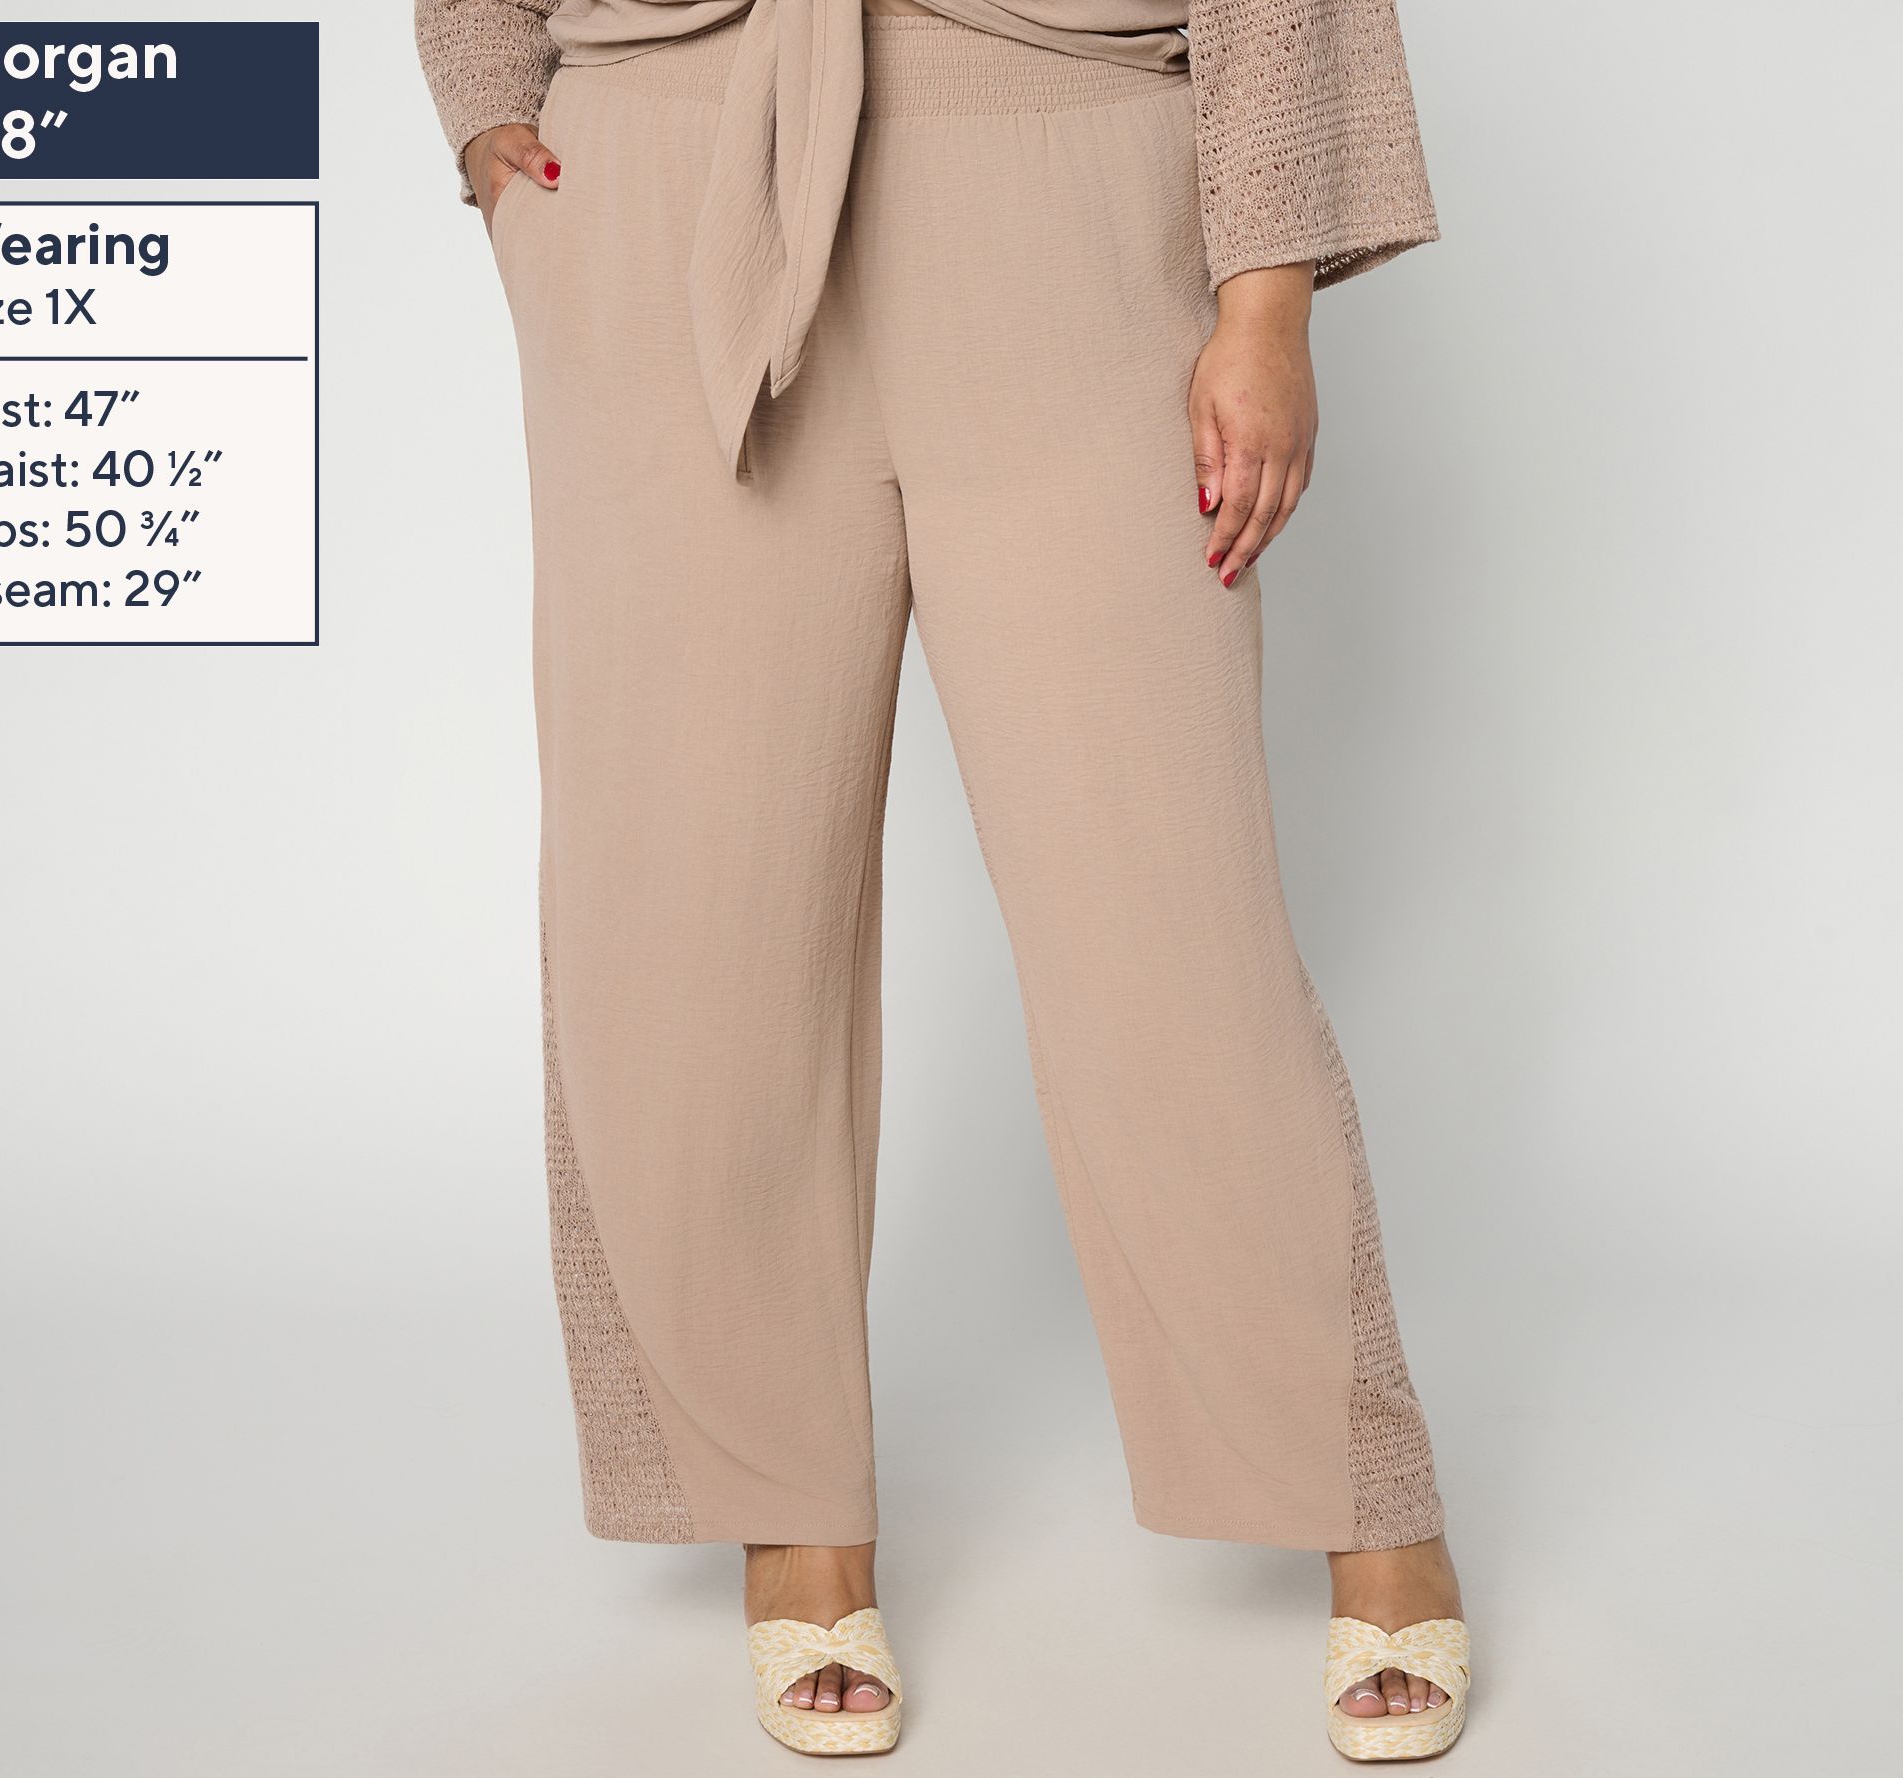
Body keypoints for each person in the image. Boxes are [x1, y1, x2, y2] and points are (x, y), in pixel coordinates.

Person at [416, 0, 1467, 1758]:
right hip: (668, 175)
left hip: (1069, 179)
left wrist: (1266, 299)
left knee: (1167, 916)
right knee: (685, 910)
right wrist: (481, 102)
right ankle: (785, 1502)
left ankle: (1358, 1480)